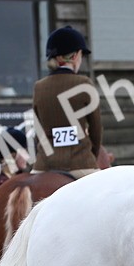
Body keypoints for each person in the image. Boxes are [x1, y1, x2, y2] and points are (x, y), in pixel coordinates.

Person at [32, 26, 103, 179]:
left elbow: (37, 131)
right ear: (76, 55)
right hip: (80, 163)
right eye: (81, 55)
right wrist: (92, 157)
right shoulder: (84, 83)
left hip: (44, 164)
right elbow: (96, 129)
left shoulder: (39, 87)